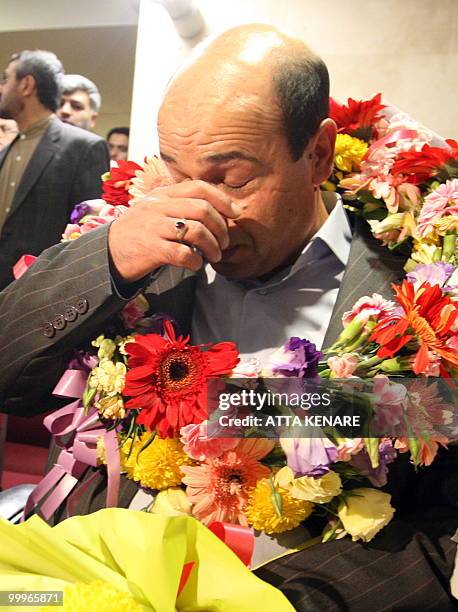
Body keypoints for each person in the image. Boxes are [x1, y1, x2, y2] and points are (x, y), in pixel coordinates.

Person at [0, 25, 456, 611]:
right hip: (83, 575)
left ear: (317, 154)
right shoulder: (138, 243)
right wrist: (109, 260)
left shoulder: (421, 282)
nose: (197, 208)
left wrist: (269, 600)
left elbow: (437, 480)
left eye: (230, 178)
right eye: (174, 169)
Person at [0, 50, 110, 290]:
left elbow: (88, 237)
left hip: (38, 297)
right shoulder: (6, 151)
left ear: (26, 85)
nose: (2, 88)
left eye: (6, 79)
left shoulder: (83, 147)